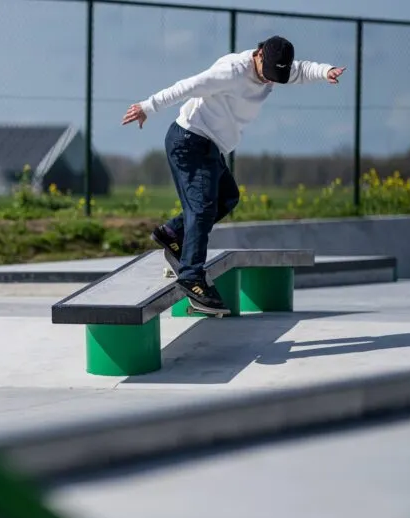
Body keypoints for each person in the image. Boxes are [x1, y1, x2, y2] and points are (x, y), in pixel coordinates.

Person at [122, 35, 345, 314]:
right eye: (267, 75)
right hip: (189, 140)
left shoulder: (276, 68)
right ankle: (191, 276)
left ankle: (172, 233)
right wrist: (147, 106)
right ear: (259, 54)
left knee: (228, 197)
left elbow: (299, 70)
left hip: (210, 147)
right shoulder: (232, 70)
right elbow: (189, 86)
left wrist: (325, 71)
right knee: (201, 208)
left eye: (276, 77)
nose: (268, 82)